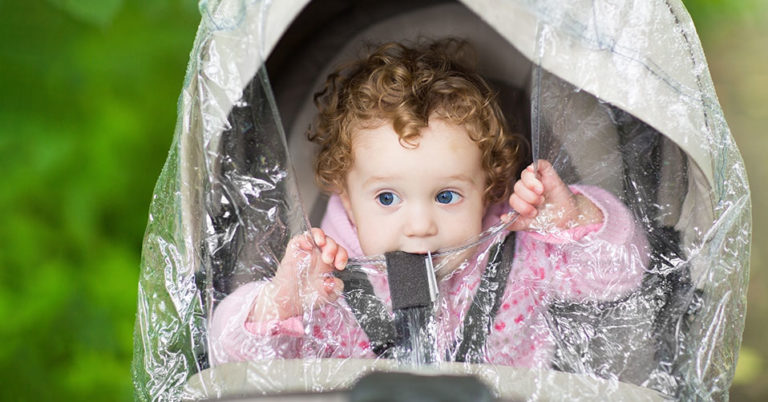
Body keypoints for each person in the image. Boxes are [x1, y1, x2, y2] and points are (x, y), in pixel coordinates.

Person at [209, 39, 648, 367]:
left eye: (446, 196)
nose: (419, 225)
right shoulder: (323, 284)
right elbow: (233, 358)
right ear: (345, 195)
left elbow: (621, 276)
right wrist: (279, 304)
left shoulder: (520, 257)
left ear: (489, 189)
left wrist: (574, 222)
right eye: (386, 198)